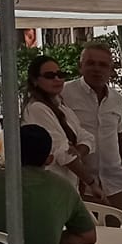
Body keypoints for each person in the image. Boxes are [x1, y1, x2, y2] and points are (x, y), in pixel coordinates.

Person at [60, 43, 122, 209]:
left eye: (103, 65)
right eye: (91, 63)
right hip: (81, 186)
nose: (97, 69)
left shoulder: (117, 99)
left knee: (115, 234)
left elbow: (119, 136)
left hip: (116, 185)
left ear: (111, 70)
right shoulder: (63, 94)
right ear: (80, 66)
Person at [22, 55, 100, 200]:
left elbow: (87, 137)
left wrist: (77, 152)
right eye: (50, 76)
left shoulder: (62, 107)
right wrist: (91, 182)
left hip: (67, 187)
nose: (57, 79)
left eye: (60, 74)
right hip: (50, 189)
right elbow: (63, 153)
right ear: (35, 81)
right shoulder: (37, 109)